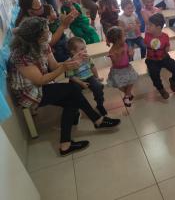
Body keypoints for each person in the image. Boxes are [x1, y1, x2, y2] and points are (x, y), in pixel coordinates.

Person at [8, 17, 120, 156]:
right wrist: (64, 68)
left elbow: (54, 66)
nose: (49, 34)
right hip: (30, 93)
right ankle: (96, 120)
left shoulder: (43, 44)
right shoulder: (21, 56)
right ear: (35, 37)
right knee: (72, 91)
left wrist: (71, 61)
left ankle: (67, 144)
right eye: (46, 32)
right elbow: (40, 80)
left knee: (72, 99)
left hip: (42, 85)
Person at [66, 37, 107, 116]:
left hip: (89, 77)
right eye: (82, 49)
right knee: (74, 92)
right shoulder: (70, 62)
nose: (85, 50)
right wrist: (81, 83)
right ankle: (76, 110)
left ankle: (100, 105)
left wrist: (97, 77)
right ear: (73, 52)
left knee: (98, 87)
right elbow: (71, 77)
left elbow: (92, 67)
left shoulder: (87, 58)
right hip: (76, 80)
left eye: (85, 47)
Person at [144, 13, 175, 100]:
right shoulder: (147, 35)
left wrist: (167, 49)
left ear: (158, 27)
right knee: (154, 74)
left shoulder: (165, 36)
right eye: (148, 24)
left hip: (164, 57)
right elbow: (149, 43)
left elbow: (167, 47)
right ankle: (160, 89)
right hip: (152, 60)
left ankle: (173, 80)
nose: (147, 26)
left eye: (150, 25)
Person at [106, 26, 138, 107]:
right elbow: (116, 62)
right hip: (118, 70)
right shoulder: (112, 51)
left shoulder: (125, 44)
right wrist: (120, 54)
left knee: (132, 80)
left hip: (127, 67)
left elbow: (129, 53)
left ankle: (126, 96)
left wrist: (131, 52)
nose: (125, 37)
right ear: (117, 40)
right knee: (119, 85)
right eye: (123, 36)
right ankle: (128, 94)